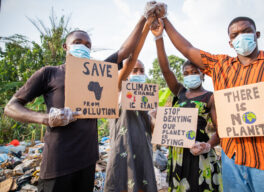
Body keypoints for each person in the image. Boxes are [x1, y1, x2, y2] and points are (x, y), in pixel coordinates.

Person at [4, 11, 152, 191]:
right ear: (65, 47)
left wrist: (145, 16)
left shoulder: (98, 73)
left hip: (87, 163)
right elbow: (11, 107)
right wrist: (46, 118)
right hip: (58, 164)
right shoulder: (49, 73)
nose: (83, 47)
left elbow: (125, 51)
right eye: (77, 43)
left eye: (88, 45)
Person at [154, 9, 264, 192]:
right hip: (233, 162)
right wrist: (164, 21)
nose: (241, 37)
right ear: (230, 42)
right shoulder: (220, 66)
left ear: (257, 34)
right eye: (235, 35)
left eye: (246, 31)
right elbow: (187, 49)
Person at [151, 18, 222, 192]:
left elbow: (221, 132)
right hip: (178, 157)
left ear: (203, 74)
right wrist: (158, 39)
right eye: (186, 73)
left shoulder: (210, 97)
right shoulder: (180, 92)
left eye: (194, 72)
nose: (190, 75)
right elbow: (166, 69)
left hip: (200, 155)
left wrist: (207, 145)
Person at [104, 17, 158, 192]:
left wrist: (155, 118)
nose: (139, 73)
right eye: (135, 70)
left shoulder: (148, 99)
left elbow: (152, 130)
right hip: (121, 151)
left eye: (142, 70)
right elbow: (129, 58)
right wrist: (146, 24)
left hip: (143, 151)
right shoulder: (116, 90)